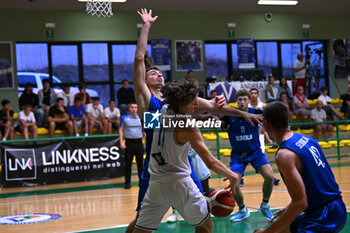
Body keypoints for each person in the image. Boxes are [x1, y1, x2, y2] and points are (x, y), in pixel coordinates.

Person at [127, 8, 261, 233]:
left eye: (161, 72)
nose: (158, 74)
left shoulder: (174, 103)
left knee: (189, 219)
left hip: (181, 166)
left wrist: (243, 113)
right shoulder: (147, 102)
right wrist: (146, 27)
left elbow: (214, 108)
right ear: (145, 81)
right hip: (156, 169)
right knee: (143, 221)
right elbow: (139, 58)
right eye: (153, 73)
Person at [133, 80, 238, 233]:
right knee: (206, 226)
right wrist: (232, 175)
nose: (196, 106)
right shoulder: (187, 125)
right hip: (179, 183)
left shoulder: (163, 110)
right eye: (193, 103)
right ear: (182, 105)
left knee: (140, 230)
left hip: (156, 183)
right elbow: (210, 162)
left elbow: (151, 124)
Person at [254, 101, 346, 233]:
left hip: (324, 217)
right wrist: (289, 207)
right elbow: (316, 184)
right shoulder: (306, 139)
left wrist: (267, 231)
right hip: (335, 208)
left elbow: (301, 203)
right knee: (283, 230)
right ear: (288, 119)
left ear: (267, 124)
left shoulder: (284, 155)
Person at [226, 89, 274, 222]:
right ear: (237, 101)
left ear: (249, 101)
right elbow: (215, 116)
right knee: (234, 184)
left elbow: (270, 118)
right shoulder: (229, 115)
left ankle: (264, 206)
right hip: (238, 155)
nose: (242, 102)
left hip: (255, 152)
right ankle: (242, 210)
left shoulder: (257, 113)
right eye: (239, 99)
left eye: (244, 99)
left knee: (270, 176)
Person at [119, 103, 144, 189]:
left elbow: (145, 129)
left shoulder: (141, 117)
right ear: (129, 108)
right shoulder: (124, 118)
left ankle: (141, 182)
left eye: (136, 107)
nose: (134, 109)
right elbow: (121, 130)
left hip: (139, 142)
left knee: (140, 164)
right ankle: (127, 182)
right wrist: (121, 142)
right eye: (132, 107)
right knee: (128, 164)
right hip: (129, 143)